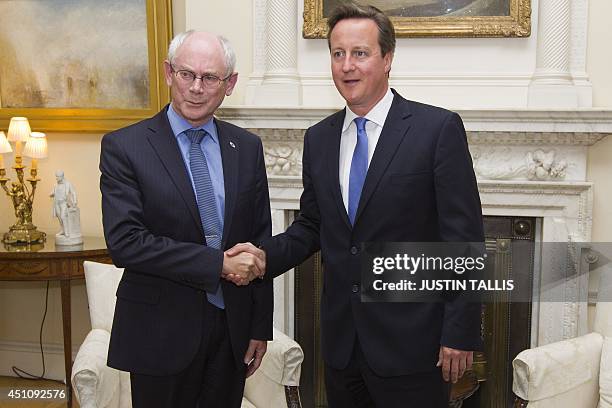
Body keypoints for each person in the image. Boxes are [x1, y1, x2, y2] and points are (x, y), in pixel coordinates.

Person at [229, 4, 484, 407]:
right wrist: (263, 256)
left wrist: (460, 332)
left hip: (415, 346)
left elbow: (465, 240)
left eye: (360, 53)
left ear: (387, 59)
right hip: (343, 346)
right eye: (337, 53)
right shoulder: (319, 139)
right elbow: (313, 224)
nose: (347, 66)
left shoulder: (437, 130)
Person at [99, 30, 272, 408]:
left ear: (230, 84)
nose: (195, 88)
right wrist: (219, 265)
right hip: (159, 333)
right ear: (168, 73)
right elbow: (125, 243)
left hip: (231, 333)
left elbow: (259, 241)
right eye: (186, 74)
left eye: (209, 78)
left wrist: (260, 328)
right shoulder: (125, 147)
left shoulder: (246, 147)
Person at [50, 170, 81, 243]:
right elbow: (54, 191)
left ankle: (67, 232)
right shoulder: (56, 185)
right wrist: (51, 193)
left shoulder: (68, 184)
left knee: (63, 216)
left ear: (62, 176)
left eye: (58, 177)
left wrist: (75, 201)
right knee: (59, 217)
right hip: (57, 203)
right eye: (56, 176)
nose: (56, 178)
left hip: (64, 203)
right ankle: (63, 230)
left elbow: (73, 192)